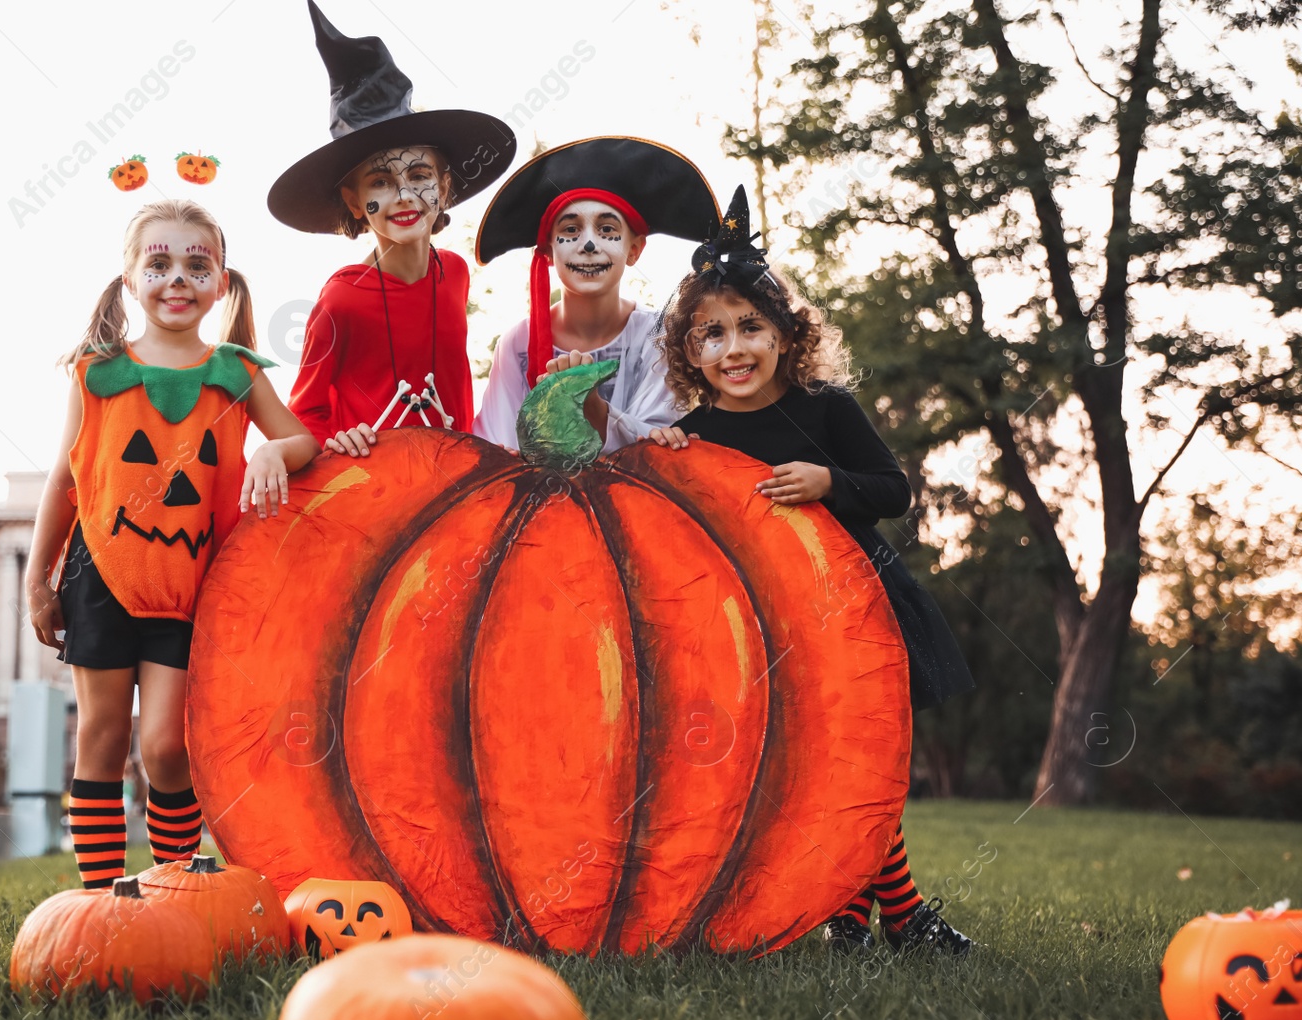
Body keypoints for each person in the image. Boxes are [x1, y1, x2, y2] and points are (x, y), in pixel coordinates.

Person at [650, 186, 976, 955]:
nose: (733, 348)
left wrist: (831, 481)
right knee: (817, 764)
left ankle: (875, 916)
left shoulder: (826, 409)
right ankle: (873, 916)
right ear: (688, 353)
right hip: (765, 623)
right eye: (711, 334)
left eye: (750, 327)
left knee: (859, 755)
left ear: (786, 334)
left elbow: (894, 490)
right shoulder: (691, 435)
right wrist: (663, 463)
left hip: (857, 602)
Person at [26, 199, 319, 888]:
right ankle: (99, 897)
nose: (177, 278)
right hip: (102, 576)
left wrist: (276, 451)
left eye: (196, 264)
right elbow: (66, 480)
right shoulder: (96, 373)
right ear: (131, 278)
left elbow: (302, 438)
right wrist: (38, 580)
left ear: (221, 282)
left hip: (192, 586)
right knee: (101, 738)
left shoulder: (236, 371)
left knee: (165, 745)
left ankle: (173, 889)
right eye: (158, 264)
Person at [270, 1, 516, 457]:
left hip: (457, 487)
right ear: (354, 201)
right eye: (380, 182)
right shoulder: (340, 301)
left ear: (444, 187)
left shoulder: (456, 274)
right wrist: (334, 442)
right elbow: (305, 411)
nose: (403, 195)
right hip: (375, 501)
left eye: (419, 175)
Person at [472, 136, 718, 452]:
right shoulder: (517, 343)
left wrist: (594, 409)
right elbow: (495, 442)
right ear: (547, 251)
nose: (589, 245)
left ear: (634, 249)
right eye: (570, 230)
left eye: (607, 230)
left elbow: (662, 442)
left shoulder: (660, 335)